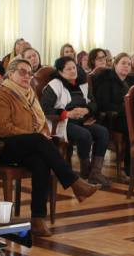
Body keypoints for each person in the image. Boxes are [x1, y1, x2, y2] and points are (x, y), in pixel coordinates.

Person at [0, 57, 99, 236]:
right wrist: (35, 137)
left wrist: (42, 134)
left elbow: (42, 121)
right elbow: (2, 128)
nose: (27, 76)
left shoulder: (29, 93)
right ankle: (74, 183)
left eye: (30, 73)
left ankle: (37, 219)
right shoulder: (0, 95)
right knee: (38, 140)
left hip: (25, 145)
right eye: (22, 72)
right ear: (10, 73)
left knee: (41, 163)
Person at [40, 56, 112, 187]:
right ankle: (86, 170)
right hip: (63, 122)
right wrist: (68, 114)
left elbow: (93, 102)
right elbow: (45, 108)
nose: (73, 71)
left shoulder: (82, 83)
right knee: (84, 135)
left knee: (103, 132)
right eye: (68, 69)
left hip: (83, 120)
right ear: (60, 72)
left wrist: (86, 110)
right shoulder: (54, 86)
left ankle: (95, 172)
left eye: (74, 67)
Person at [93, 52, 134, 178]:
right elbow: (103, 104)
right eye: (123, 63)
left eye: (129, 64)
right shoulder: (106, 79)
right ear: (115, 65)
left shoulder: (132, 80)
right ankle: (128, 167)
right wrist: (127, 110)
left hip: (130, 116)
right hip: (112, 119)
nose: (127, 66)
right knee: (132, 126)